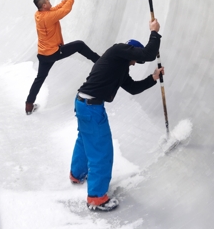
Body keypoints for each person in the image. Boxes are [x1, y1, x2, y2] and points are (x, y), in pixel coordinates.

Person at [69, 18, 164, 212]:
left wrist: (153, 78)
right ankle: (96, 198)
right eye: (134, 60)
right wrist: (154, 33)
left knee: (85, 139)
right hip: (91, 107)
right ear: (131, 51)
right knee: (101, 151)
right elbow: (147, 53)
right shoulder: (119, 50)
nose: (135, 63)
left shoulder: (119, 65)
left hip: (83, 103)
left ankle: (76, 174)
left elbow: (132, 88)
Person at [25, 0, 100, 114]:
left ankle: (29, 105)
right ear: (44, 5)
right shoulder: (48, 17)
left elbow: (56, 9)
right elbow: (65, 10)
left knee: (40, 79)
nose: (50, 1)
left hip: (43, 54)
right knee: (79, 45)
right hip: (54, 52)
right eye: (47, 1)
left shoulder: (38, 14)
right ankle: (100, 61)